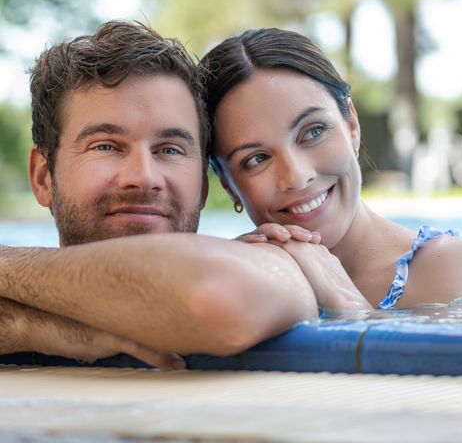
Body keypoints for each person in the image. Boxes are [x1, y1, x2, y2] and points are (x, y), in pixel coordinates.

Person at [0, 21, 320, 370]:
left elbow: (215, 297)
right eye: (105, 146)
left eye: (169, 149)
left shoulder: (265, 261)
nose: (144, 177)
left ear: (203, 186)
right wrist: (30, 326)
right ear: (43, 177)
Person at [200, 28, 462, 311]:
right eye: (257, 159)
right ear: (228, 185)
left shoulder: (450, 268)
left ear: (351, 125)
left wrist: (346, 305)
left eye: (313, 132)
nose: (297, 177)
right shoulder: (234, 288)